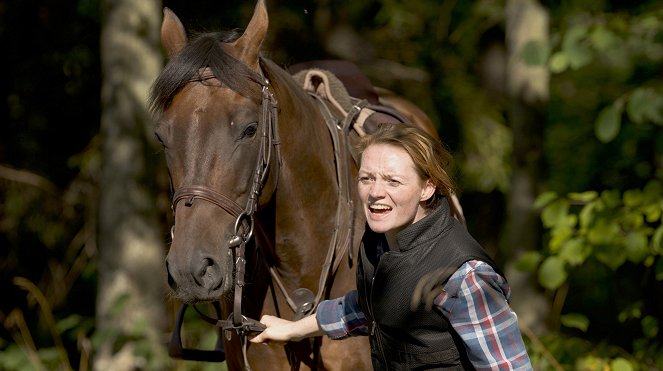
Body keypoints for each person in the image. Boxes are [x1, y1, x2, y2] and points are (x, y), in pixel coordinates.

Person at [250, 123, 532, 370]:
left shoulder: (464, 275)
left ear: (427, 188)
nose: (375, 193)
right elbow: (369, 307)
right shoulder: (378, 242)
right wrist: (294, 329)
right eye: (367, 178)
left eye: (392, 181)